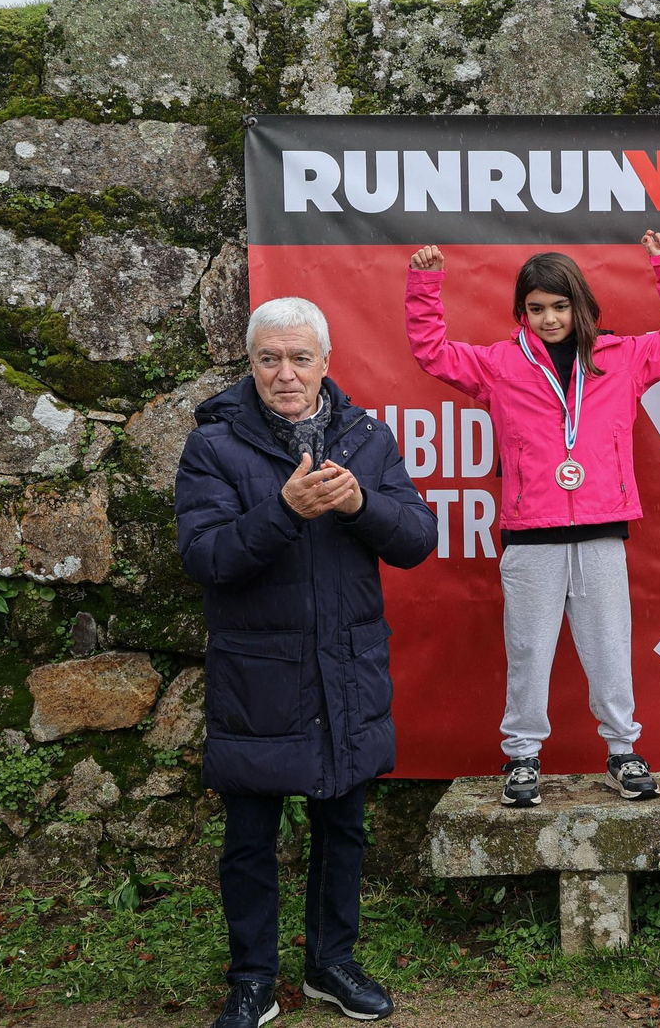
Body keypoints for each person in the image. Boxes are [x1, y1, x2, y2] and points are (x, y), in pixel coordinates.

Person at [175, 297, 439, 1027]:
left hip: (346, 668)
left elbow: (417, 538)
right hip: (258, 676)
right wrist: (284, 510)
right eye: (269, 359)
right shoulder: (214, 446)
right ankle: (253, 980)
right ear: (251, 364)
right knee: (250, 836)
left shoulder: (365, 437)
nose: (285, 374)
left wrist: (362, 506)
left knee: (343, 825)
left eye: (299, 359)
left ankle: (331, 965)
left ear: (327, 363)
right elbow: (206, 557)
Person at [404, 232, 660, 807]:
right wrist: (425, 285)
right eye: (536, 309)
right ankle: (521, 757)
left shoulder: (622, 359)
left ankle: (623, 752)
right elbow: (432, 351)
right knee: (529, 651)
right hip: (531, 534)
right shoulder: (499, 366)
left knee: (610, 647)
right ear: (522, 313)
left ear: (581, 306)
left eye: (560, 307)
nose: (549, 318)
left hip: (600, 530)